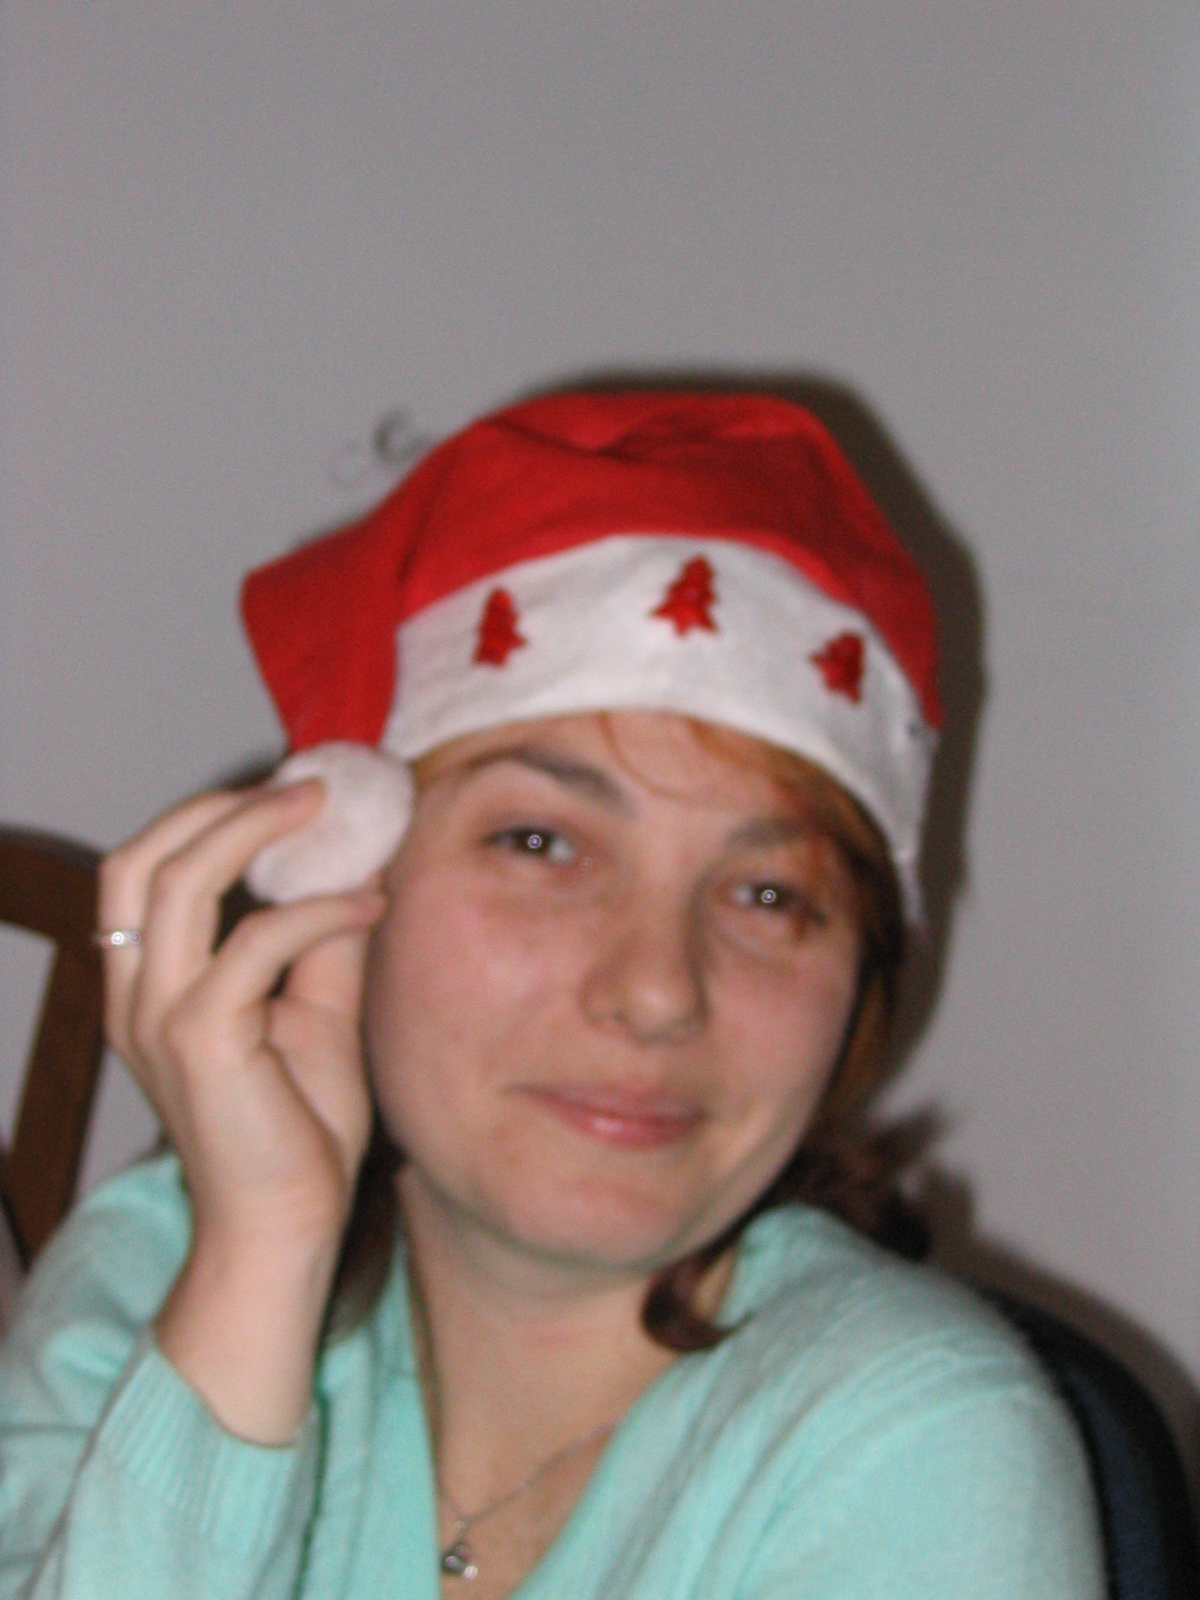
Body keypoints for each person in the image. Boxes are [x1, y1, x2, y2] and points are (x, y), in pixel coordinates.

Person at [0, 390, 1103, 1598]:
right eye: (541, 843)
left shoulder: (916, 1445)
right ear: (342, 886)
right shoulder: (147, 1276)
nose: (657, 990)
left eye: (770, 895)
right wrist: (253, 1267)